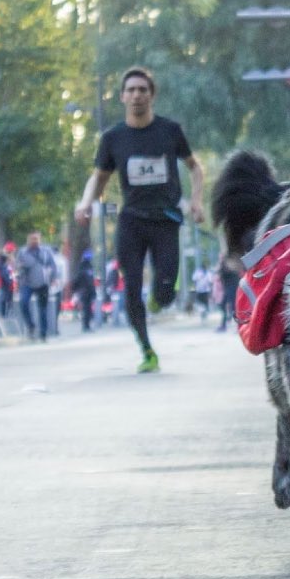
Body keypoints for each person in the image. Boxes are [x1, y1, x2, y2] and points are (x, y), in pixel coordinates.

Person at [74, 66, 205, 373]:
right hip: (131, 221)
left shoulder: (169, 131)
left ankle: (160, 298)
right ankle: (147, 350)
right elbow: (98, 178)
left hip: (165, 220)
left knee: (164, 291)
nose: (136, 95)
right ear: (122, 97)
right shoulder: (113, 138)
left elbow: (195, 168)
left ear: (151, 95)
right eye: (130, 90)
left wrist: (196, 202)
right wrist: (85, 204)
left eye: (142, 90)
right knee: (131, 286)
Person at [17, 231, 57, 341]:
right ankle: (30, 325)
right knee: (23, 302)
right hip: (27, 282)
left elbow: (52, 265)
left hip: (43, 282)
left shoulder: (45, 251)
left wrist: (52, 277)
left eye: (36, 239)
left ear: (40, 239)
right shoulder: (23, 252)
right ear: (28, 240)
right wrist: (20, 268)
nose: (34, 241)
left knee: (42, 309)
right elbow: (17, 266)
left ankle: (43, 333)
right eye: (32, 239)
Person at [72, 250, 97, 332]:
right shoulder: (85, 268)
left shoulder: (86, 267)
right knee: (86, 309)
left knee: (88, 309)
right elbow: (80, 280)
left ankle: (87, 325)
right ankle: (86, 326)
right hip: (85, 291)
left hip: (86, 291)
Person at [215, 253, 241, 333]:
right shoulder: (223, 266)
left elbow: (225, 273)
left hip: (232, 289)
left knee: (234, 308)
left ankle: (238, 326)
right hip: (227, 290)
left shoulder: (230, 266)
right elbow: (218, 273)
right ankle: (224, 325)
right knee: (223, 306)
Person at [0, 242, 17, 317]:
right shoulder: (9, 258)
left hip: (5, 280)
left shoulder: (1, 256)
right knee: (7, 298)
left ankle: (4, 314)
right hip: (7, 280)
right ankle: (6, 315)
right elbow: (13, 269)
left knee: (5, 298)